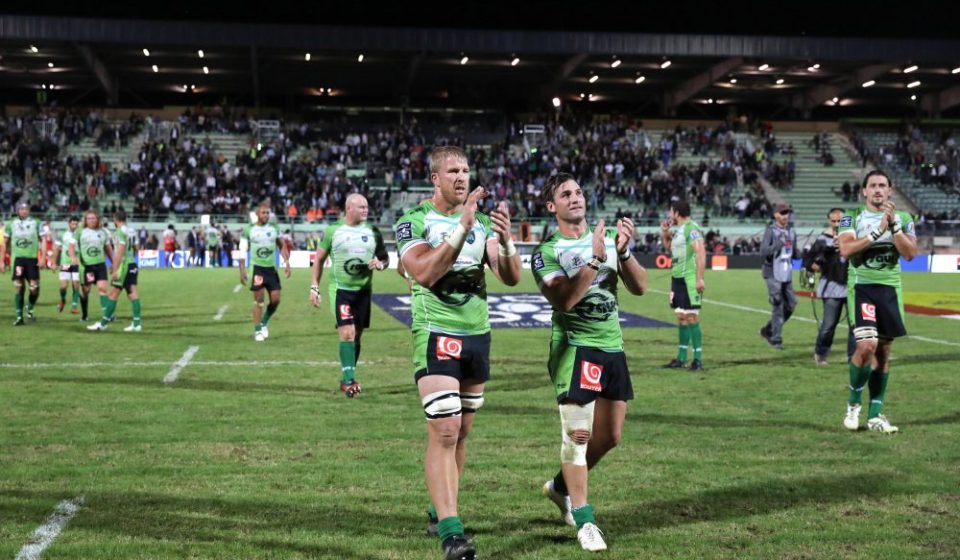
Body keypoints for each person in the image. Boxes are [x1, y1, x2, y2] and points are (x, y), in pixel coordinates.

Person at [394, 146, 521, 560]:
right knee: (445, 430)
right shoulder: (412, 222)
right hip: (436, 333)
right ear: (435, 178)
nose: (462, 176)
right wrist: (461, 230)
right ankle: (451, 533)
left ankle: (439, 508)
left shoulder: (481, 221)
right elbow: (426, 272)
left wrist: (506, 242)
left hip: (477, 335)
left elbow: (510, 277)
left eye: (466, 170)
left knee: (463, 432)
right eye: (453, 171)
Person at [532, 173, 648, 552]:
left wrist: (624, 252)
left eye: (579, 191)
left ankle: (561, 487)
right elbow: (563, 300)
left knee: (610, 437)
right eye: (566, 194)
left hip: (612, 347)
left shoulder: (609, 239)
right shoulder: (547, 252)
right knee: (578, 436)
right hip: (575, 348)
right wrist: (596, 260)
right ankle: (584, 520)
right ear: (552, 206)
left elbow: (640, 287)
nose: (575, 197)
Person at [837, 170, 918, 433]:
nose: (878, 190)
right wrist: (876, 232)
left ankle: (875, 415)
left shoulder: (904, 218)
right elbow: (846, 250)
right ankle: (853, 404)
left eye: (882, 185)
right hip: (862, 288)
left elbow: (910, 254)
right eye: (872, 186)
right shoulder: (851, 217)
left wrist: (893, 226)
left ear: (890, 190)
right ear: (864, 191)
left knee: (883, 354)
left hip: (890, 290)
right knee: (867, 346)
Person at [309, 194, 388, 397]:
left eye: (367, 207)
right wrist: (314, 287)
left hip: (363, 291)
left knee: (357, 336)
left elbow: (385, 258)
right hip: (341, 290)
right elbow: (318, 260)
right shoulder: (333, 231)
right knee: (347, 333)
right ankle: (349, 381)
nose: (365, 210)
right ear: (349, 208)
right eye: (361, 207)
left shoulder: (373, 231)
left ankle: (347, 377)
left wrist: (380, 265)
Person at [660, 200, 706, 371]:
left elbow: (700, 251)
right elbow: (668, 246)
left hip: (689, 279)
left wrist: (699, 279)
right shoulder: (679, 230)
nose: (670, 215)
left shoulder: (691, 228)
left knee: (692, 317)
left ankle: (698, 360)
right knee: (681, 316)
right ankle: (681, 358)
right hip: (677, 278)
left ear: (676, 212)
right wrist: (664, 232)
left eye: (671, 211)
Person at [804, 208, 854, 366]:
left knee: (855, 325)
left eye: (841, 220)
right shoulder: (822, 239)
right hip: (831, 288)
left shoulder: (855, 237)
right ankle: (821, 353)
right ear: (829, 221)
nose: (837, 224)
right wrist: (817, 264)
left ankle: (853, 358)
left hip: (853, 287)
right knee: (828, 325)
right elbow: (809, 264)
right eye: (834, 221)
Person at [239, 204, 291, 342]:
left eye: (267, 213)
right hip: (257, 268)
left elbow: (281, 245)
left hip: (271, 269)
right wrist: (242, 270)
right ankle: (257, 331)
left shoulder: (274, 228)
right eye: (263, 213)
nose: (266, 215)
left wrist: (286, 262)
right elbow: (242, 251)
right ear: (257, 214)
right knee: (259, 301)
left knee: (276, 300)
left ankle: (264, 322)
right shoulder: (249, 230)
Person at [87, 211, 142, 332]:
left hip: (124, 266)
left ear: (115, 219)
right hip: (132, 264)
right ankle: (137, 324)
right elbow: (137, 249)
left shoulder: (118, 232)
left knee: (113, 294)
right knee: (132, 293)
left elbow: (120, 251)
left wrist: (116, 268)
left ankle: (103, 324)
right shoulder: (132, 231)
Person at [759, 203, 797, 349]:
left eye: (787, 213)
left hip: (786, 273)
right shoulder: (770, 231)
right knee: (778, 305)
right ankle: (776, 339)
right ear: (775, 215)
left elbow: (794, 253)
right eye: (782, 213)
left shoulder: (792, 232)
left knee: (791, 304)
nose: (785, 216)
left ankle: (768, 329)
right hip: (772, 274)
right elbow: (763, 252)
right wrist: (778, 244)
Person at [0, 202, 43, 325]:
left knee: (34, 288)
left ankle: (29, 308)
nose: (24, 211)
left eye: (26, 209)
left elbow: (43, 240)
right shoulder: (10, 223)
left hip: (32, 259)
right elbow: (4, 244)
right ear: (17, 210)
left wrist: (42, 257)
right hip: (17, 259)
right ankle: (19, 317)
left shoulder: (36, 222)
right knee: (19, 287)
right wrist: (1, 261)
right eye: (22, 209)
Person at [76, 209, 113, 323]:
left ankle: (107, 315)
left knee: (102, 288)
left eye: (93, 218)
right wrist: (75, 259)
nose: (91, 220)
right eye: (89, 218)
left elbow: (108, 249)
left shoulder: (103, 232)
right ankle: (85, 314)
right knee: (85, 290)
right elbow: (73, 246)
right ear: (85, 220)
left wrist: (114, 263)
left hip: (100, 265)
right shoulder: (80, 232)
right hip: (87, 266)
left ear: (97, 219)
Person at [52, 215, 82, 314]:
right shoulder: (62, 234)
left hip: (77, 263)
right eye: (73, 224)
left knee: (76, 284)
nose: (75, 226)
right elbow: (56, 248)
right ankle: (63, 300)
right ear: (69, 224)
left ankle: (74, 306)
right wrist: (53, 262)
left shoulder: (80, 235)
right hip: (65, 263)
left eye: (76, 224)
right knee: (64, 286)